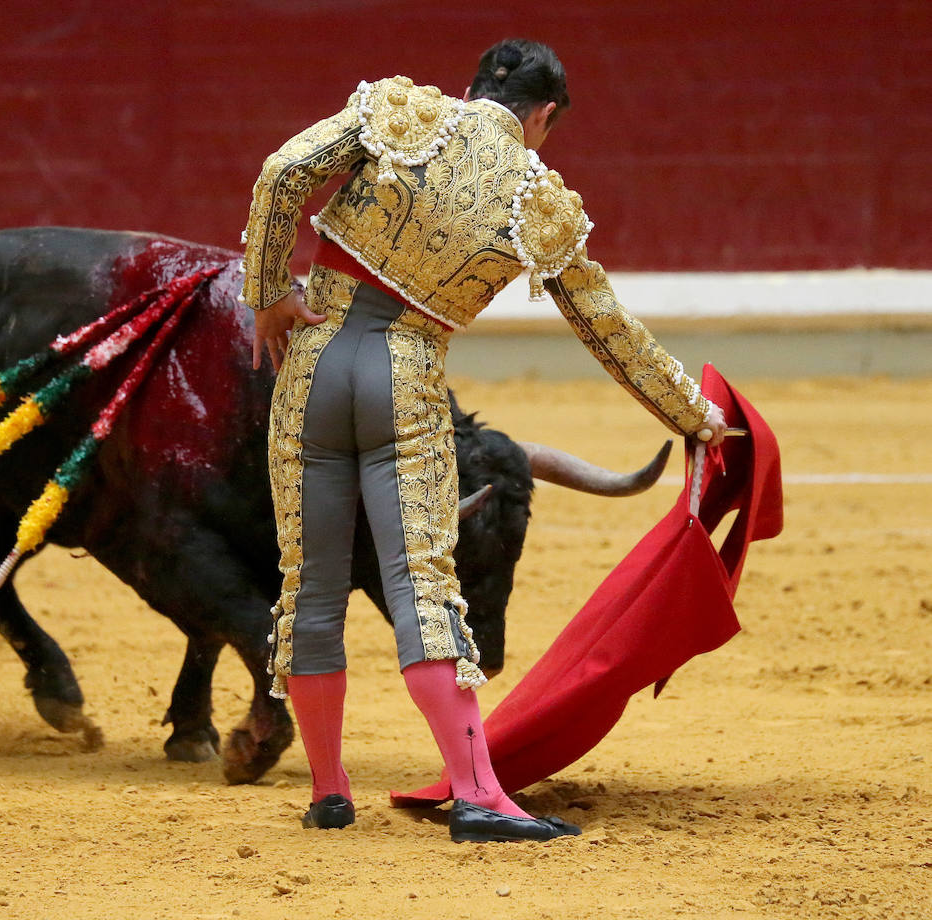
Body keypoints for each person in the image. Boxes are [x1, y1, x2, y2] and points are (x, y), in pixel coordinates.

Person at [238, 38, 726, 843]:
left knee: (312, 585)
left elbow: (282, 173)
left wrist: (267, 293)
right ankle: (475, 794)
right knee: (422, 588)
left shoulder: (403, 110)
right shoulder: (538, 197)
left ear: (471, 87)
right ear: (542, 117)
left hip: (312, 363)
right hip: (404, 373)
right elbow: (607, 330)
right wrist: (692, 414)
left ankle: (329, 793)